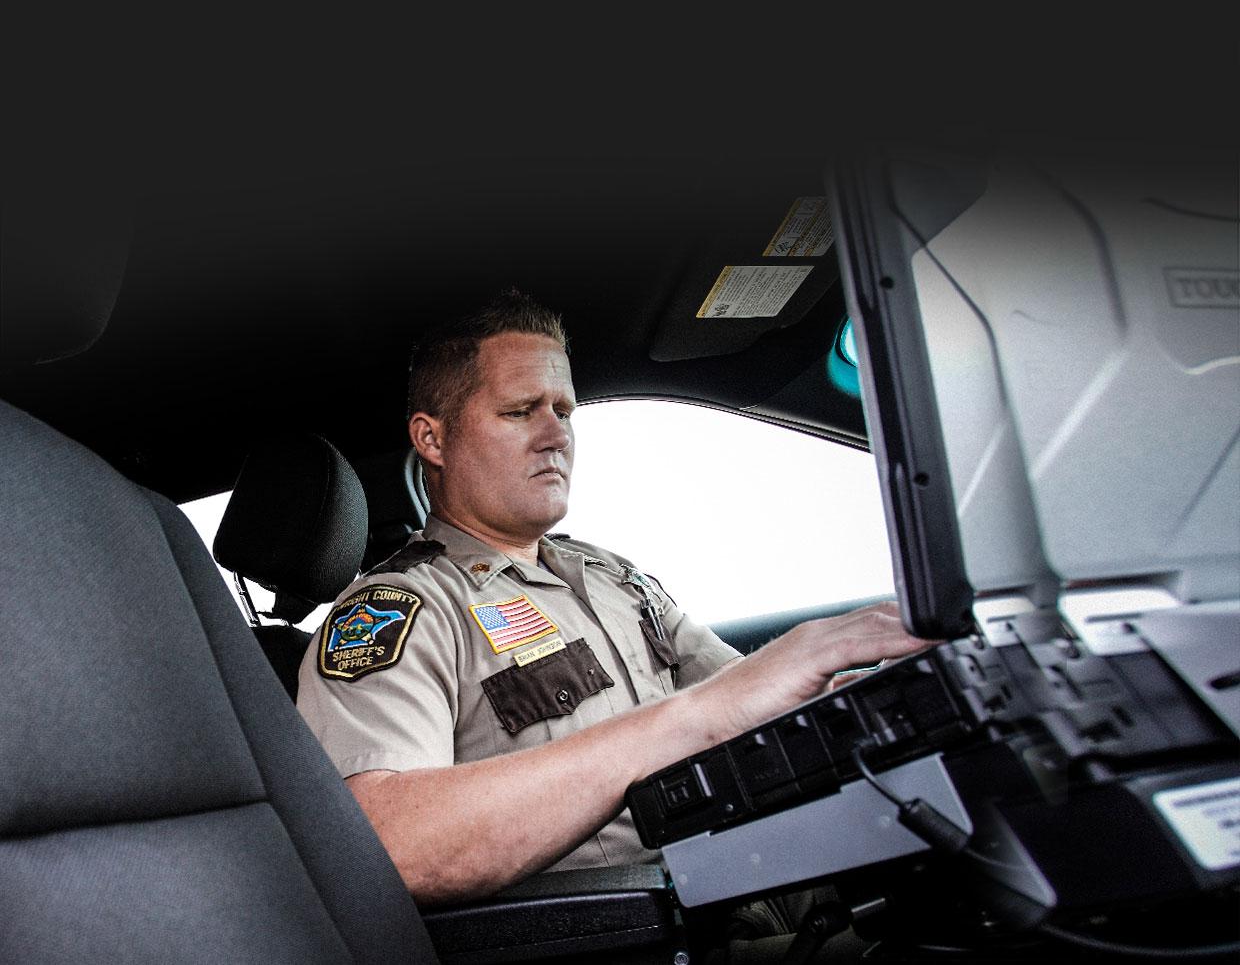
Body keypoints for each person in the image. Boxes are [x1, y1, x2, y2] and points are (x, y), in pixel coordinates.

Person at [296, 290, 931, 911]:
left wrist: (899, 692)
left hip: (753, 879)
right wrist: (697, 717)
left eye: (564, 411)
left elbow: (752, 703)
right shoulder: (395, 614)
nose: (555, 436)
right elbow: (394, 848)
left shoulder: (609, 575)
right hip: (633, 931)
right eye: (520, 411)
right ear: (433, 441)